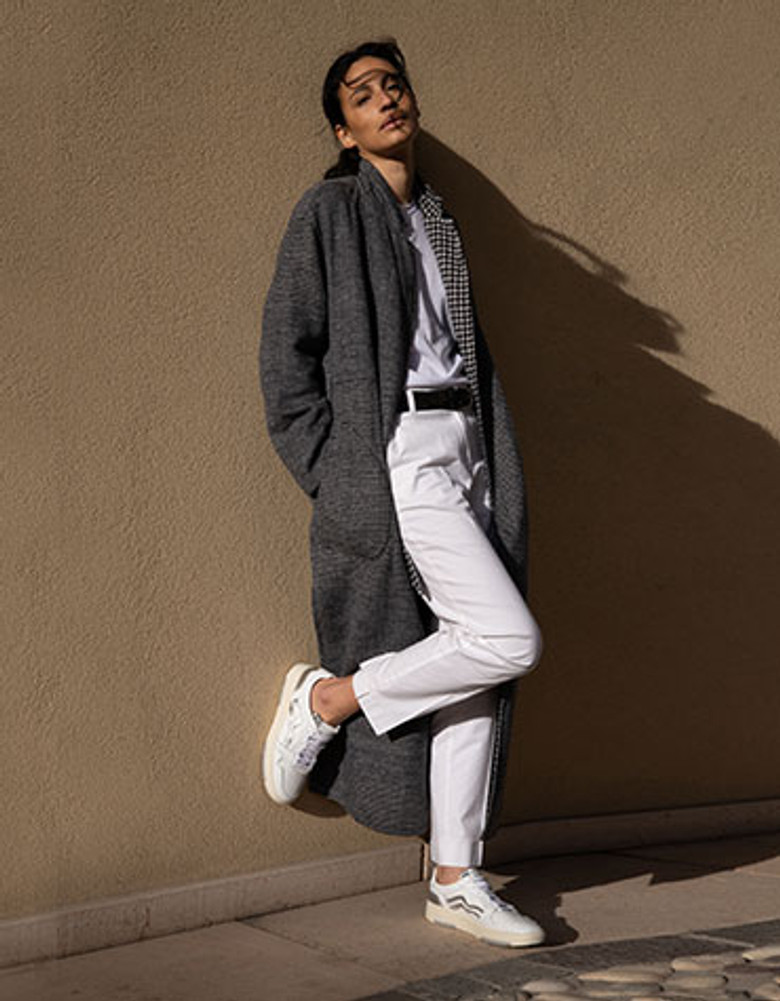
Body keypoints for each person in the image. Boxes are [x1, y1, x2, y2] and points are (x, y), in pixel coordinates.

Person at [259, 38, 545, 948]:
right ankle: (330, 701)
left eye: (394, 84)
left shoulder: (436, 217)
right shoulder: (331, 211)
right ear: (343, 131)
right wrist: (339, 468)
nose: (387, 98)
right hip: (400, 454)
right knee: (509, 639)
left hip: (467, 445)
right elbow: (286, 358)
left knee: (478, 663)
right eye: (363, 94)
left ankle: (456, 875)